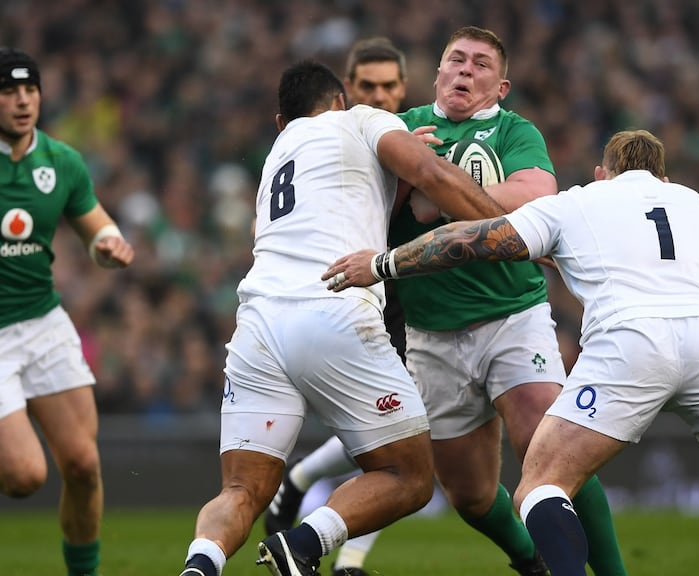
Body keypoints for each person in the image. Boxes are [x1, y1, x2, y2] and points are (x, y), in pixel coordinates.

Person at [324, 129, 699, 576]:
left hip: (630, 344)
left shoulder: (582, 201)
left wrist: (384, 263)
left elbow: (478, 239)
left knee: (541, 485)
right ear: (661, 174)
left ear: (603, 172)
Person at [272, 27, 629, 576]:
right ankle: (530, 559)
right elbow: (360, 207)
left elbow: (536, 198)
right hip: (431, 333)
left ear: (501, 85)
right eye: (455, 60)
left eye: (480, 64)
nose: (465, 70)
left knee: (548, 446)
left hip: (513, 316)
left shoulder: (515, 131)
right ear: (436, 74)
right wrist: (406, 188)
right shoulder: (401, 127)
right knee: (470, 495)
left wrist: (433, 193)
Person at [177, 59, 505, 576]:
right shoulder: (362, 120)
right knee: (409, 475)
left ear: (280, 121)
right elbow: (430, 173)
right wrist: (511, 229)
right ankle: (305, 543)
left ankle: (199, 566)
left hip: (258, 323)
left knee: (241, 490)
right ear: (339, 101)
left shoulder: (276, 157)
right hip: (331, 308)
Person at [0, 47, 135, 576]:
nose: (23, 102)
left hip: (44, 324)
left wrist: (109, 244)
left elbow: (97, 227)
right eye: (9, 92)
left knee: (84, 464)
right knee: (23, 478)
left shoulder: (61, 161)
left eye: (30, 90)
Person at [262, 36, 412, 576]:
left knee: (403, 437)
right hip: (360, 294)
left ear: (404, 87)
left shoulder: (406, 129)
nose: (380, 95)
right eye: (367, 86)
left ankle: (305, 488)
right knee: (406, 444)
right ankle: (343, 554)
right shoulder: (343, 134)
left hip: (409, 290)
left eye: (389, 86)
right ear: (346, 93)